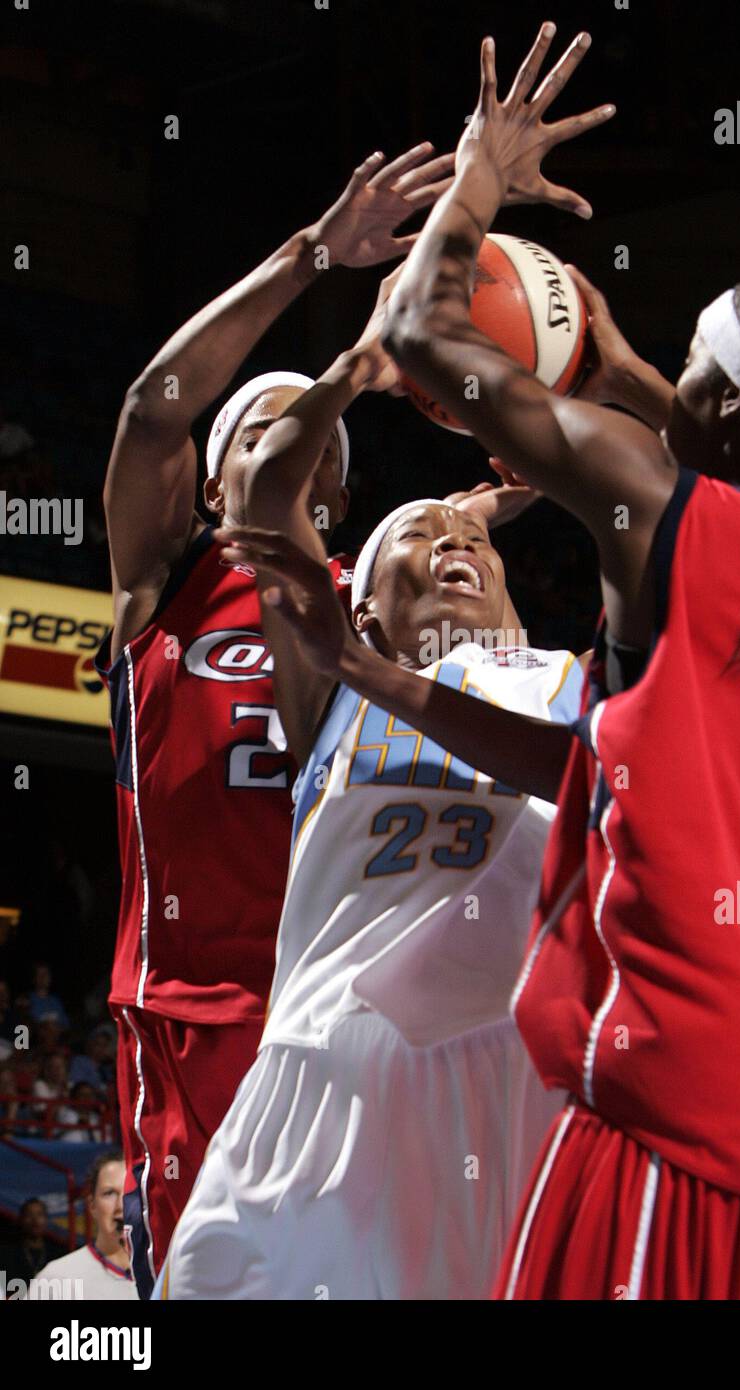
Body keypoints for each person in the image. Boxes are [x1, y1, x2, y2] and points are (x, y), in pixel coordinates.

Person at [284, 23, 740, 1299]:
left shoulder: (669, 512)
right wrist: (620, 372)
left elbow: (414, 330)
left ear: (721, 406)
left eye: (683, 371)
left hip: (684, 1118)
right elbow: (595, 767)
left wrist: (477, 174)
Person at [154, 292, 584, 1297]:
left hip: (517, 1085)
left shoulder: (575, 678)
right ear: (362, 610)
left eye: (474, 543)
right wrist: (356, 364)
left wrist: (536, 474)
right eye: (416, 539)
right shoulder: (336, 682)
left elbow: (668, 521)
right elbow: (262, 499)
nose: (455, 547)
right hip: (321, 1072)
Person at [95, 140, 453, 1299]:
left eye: (300, 441)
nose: (269, 451)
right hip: (194, 1009)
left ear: (336, 490)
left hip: (343, 1012)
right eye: (248, 433)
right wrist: (315, 257)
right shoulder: (162, 583)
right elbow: (154, 405)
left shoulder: (365, 602)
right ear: (211, 481)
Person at [27, 1152, 137, 1301]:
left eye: (130, 1192)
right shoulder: (57, 1278)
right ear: (92, 1205)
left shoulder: (166, 1275)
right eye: (109, 1193)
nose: (121, 1205)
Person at [0, 1199, 57, 1288]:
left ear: (46, 1219)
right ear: (21, 1219)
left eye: (39, 1215)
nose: (35, 1220)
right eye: (29, 1215)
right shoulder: (6, 1254)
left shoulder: (57, 1255)